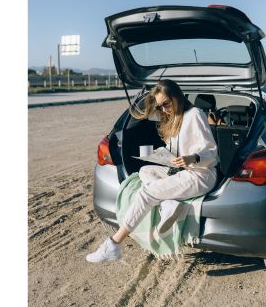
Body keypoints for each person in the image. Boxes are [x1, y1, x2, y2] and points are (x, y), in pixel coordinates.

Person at [86, 79, 218, 263]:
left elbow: (212, 152)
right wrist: (165, 156)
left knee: (146, 193)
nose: (164, 109)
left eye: (166, 104)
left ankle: (113, 245)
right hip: (180, 170)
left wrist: (192, 158)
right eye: (160, 107)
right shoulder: (174, 118)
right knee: (145, 170)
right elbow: (177, 148)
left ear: (177, 96)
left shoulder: (195, 114)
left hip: (200, 175)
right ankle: (168, 203)